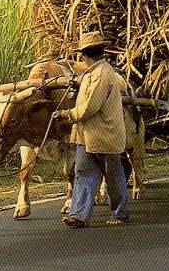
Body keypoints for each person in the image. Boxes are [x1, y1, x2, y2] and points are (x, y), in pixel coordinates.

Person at [53, 31, 130, 228]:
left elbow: (90, 107)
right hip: (85, 136)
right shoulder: (90, 74)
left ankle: (120, 212)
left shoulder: (102, 75)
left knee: (112, 176)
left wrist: (66, 115)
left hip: (105, 134)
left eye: (82, 55)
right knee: (83, 172)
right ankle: (78, 215)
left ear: (85, 55)